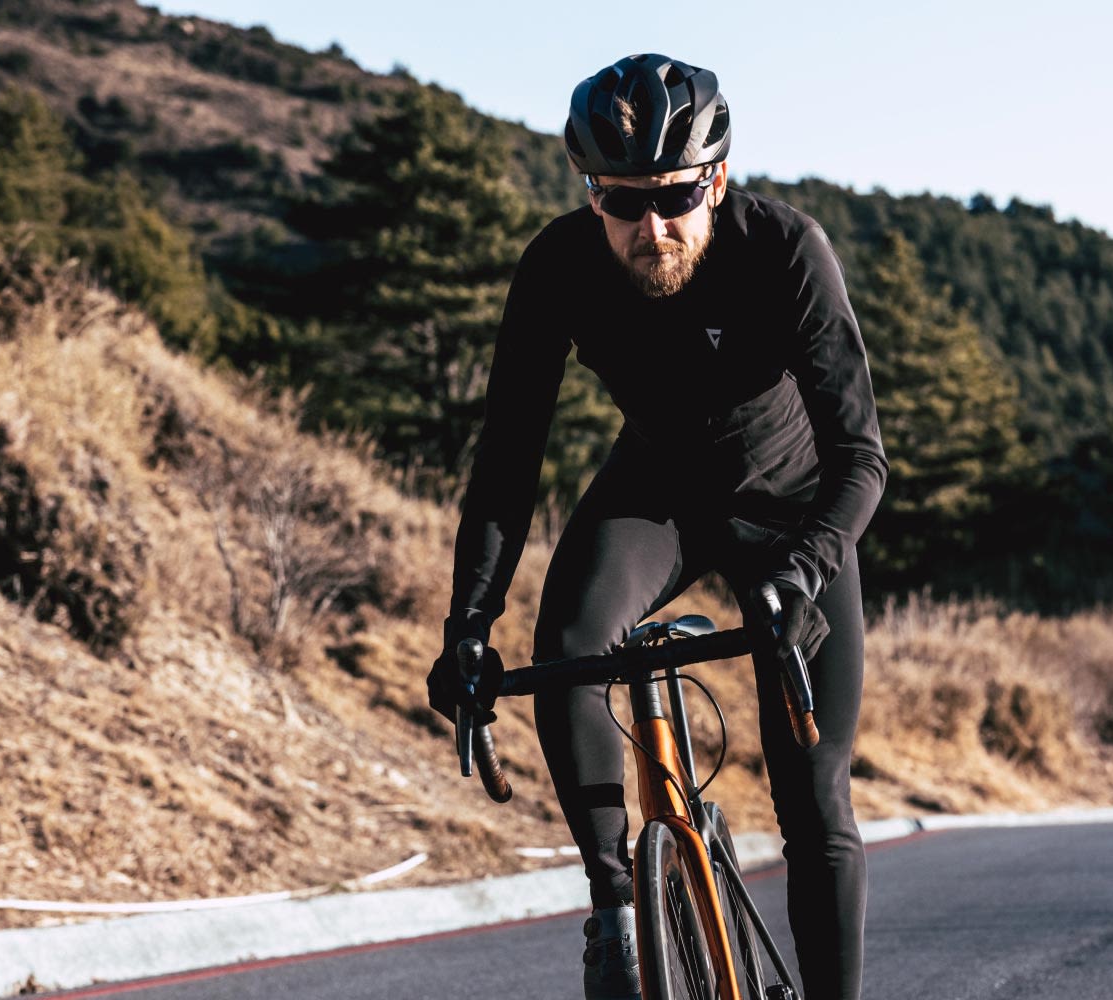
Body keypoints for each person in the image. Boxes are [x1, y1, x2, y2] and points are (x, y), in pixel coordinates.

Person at [427, 52, 886, 1000]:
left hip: (794, 514)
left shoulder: (785, 249)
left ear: (715, 178)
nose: (652, 227)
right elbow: (508, 460)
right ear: (589, 193)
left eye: (675, 197)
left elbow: (861, 460)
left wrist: (801, 575)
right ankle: (616, 911)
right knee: (570, 642)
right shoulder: (558, 266)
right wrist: (468, 623)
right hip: (658, 495)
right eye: (622, 202)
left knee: (814, 803)